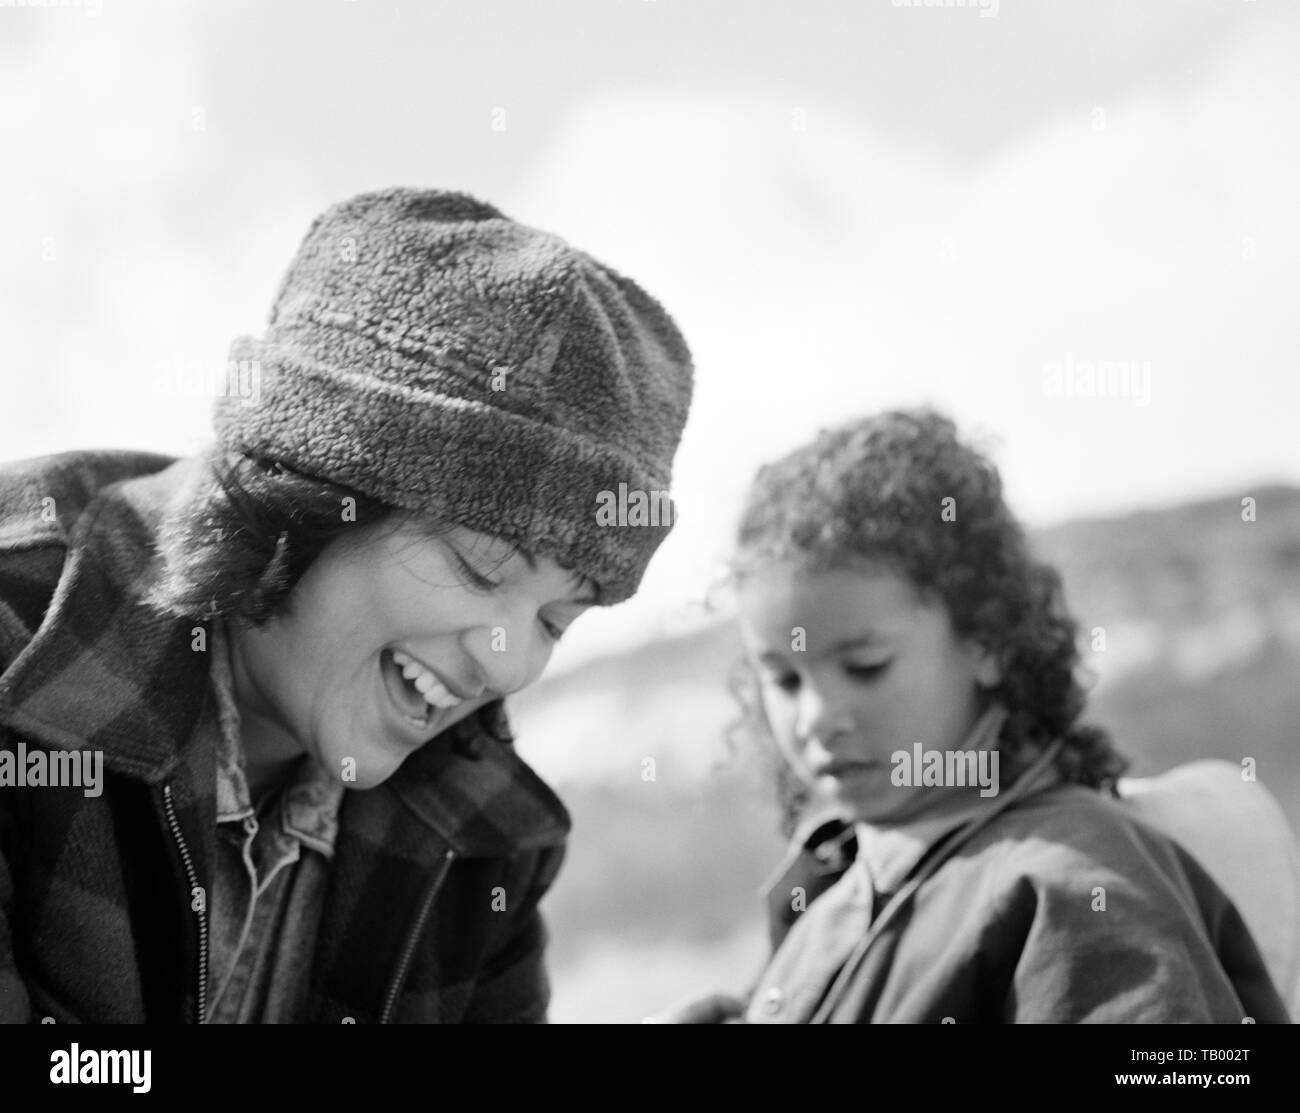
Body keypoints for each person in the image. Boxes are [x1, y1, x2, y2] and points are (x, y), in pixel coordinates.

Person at [0, 188, 693, 1023]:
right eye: (480, 567)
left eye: (557, 620)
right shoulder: (14, 650)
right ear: (308, 491)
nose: (509, 663)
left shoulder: (488, 844)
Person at [663, 408, 1287, 1023]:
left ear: (985, 641)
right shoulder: (841, 880)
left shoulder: (1070, 883)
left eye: (866, 667)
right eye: (784, 679)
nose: (818, 718)